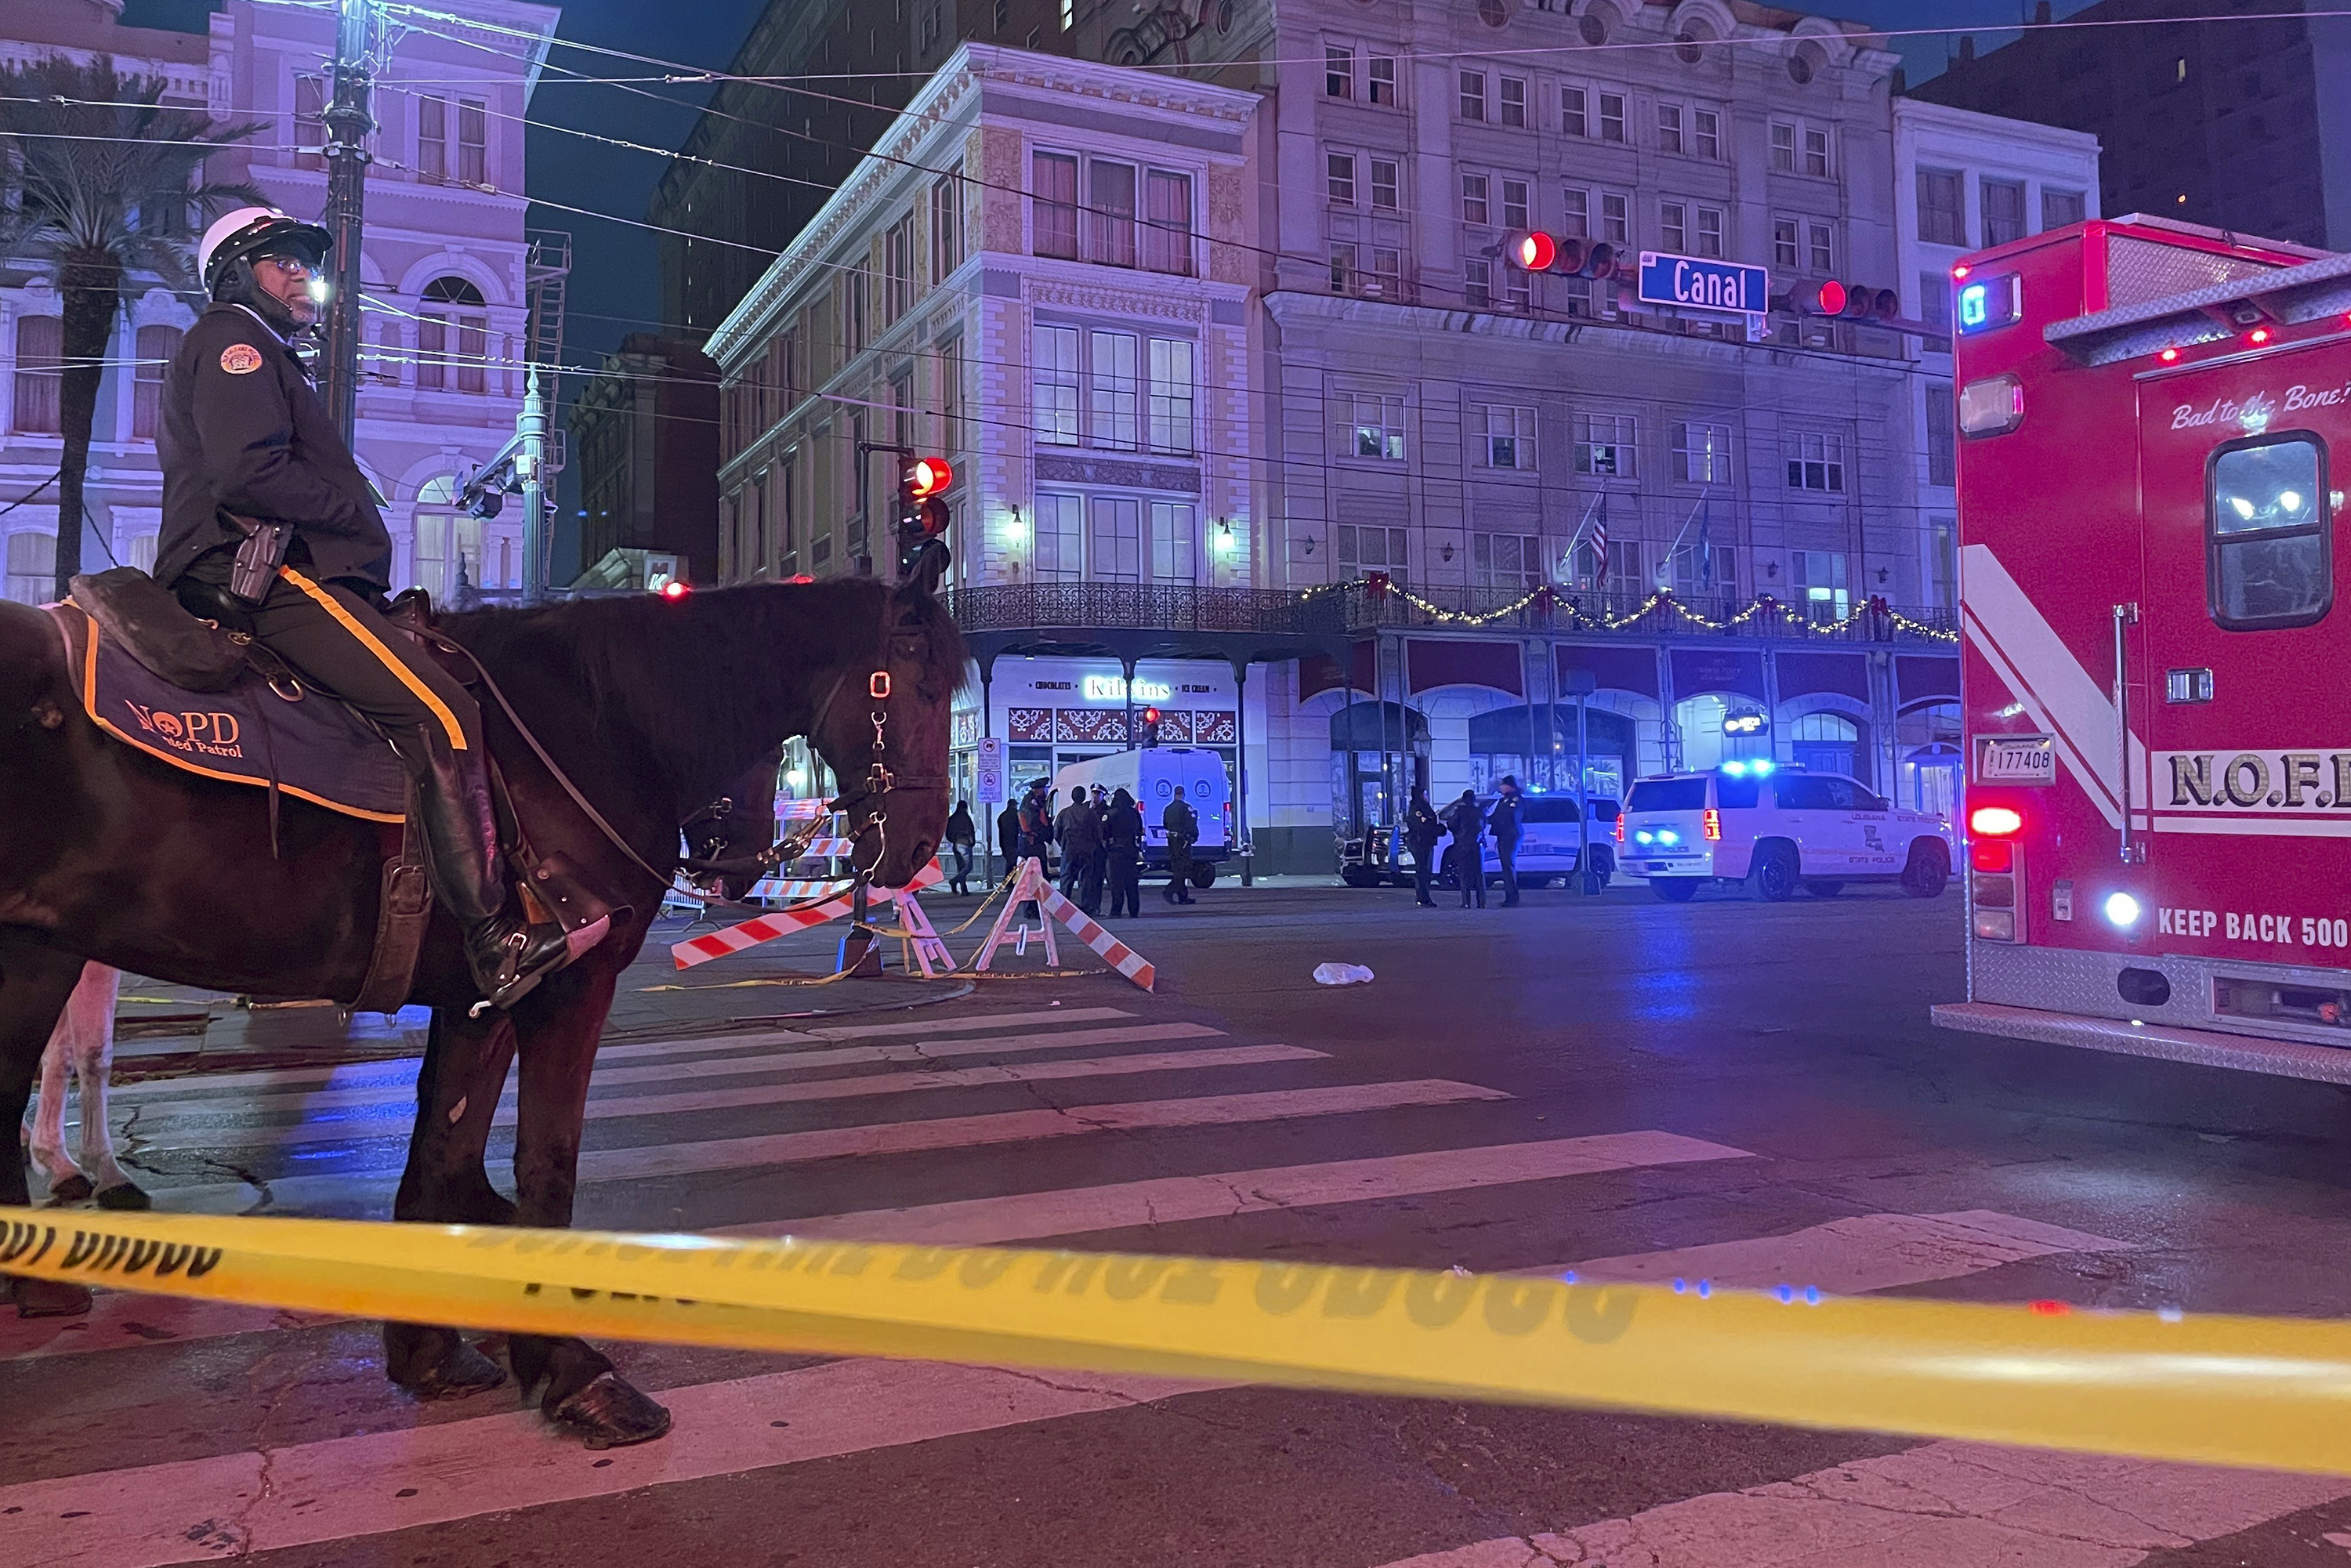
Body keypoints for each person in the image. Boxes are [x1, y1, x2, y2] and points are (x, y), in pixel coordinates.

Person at [154, 207, 589, 1011]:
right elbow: (247, 476)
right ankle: (494, 938)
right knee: (445, 713)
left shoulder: (263, 353)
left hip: (272, 564)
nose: (300, 276)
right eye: (279, 261)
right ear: (236, 274)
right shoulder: (236, 344)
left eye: (301, 263)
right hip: (262, 572)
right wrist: (356, 514)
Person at [1056, 787, 1103, 913]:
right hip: (1086, 850)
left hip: (1069, 850)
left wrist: (1063, 845)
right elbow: (1097, 833)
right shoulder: (1090, 813)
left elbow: (1056, 832)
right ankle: (1085, 906)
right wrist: (1093, 845)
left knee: (1066, 878)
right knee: (1086, 878)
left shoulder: (1064, 813)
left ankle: (1063, 907)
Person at [1103, 787, 1145, 918]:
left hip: (1115, 851)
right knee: (1132, 882)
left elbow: (1104, 832)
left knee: (1116, 883)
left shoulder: (1110, 813)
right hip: (1131, 850)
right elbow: (1139, 830)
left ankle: (1116, 910)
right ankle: (1134, 910)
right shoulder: (1134, 813)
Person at [1443, 789, 1487, 909]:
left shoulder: (1460, 811)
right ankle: (1481, 902)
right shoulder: (1480, 811)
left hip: (1463, 844)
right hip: (1477, 845)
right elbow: (1484, 825)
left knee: (1464, 874)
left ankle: (1466, 902)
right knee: (1479, 873)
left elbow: (1451, 824)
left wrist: (1458, 834)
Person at [1016, 780, 1053, 919]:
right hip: (1032, 846)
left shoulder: (1030, 801)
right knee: (1036, 877)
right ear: (1037, 790)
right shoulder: (1031, 803)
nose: (1044, 792)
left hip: (1031, 845)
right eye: (1043, 789)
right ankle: (1033, 910)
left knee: (1035, 878)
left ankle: (1036, 909)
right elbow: (1033, 823)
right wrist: (1043, 832)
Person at [1404, 789, 1444, 908]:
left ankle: (1423, 898)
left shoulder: (1417, 807)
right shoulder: (1419, 808)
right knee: (1423, 871)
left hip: (1421, 842)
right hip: (1421, 843)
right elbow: (1424, 825)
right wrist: (1438, 829)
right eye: (1425, 794)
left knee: (1423, 871)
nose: (1427, 796)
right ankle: (1424, 898)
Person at [1491, 776, 1524, 907]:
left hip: (1510, 835)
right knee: (1506, 866)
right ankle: (1509, 896)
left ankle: (1512, 897)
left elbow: (1511, 816)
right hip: (1503, 834)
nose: (1500, 788)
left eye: (1502, 785)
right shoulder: (1504, 800)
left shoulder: (1515, 799)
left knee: (1508, 865)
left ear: (1509, 786)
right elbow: (1495, 816)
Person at [1163, 784, 1199, 904]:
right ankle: (1169, 890)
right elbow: (1191, 824)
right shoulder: (1186, 808)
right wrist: (1194, 836)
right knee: (1183, 869)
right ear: (1183, 794)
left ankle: (1183, 897)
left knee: (1177, 868)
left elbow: (1165, 825)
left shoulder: (1168, 808)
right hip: (1183, 841)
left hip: (1172, 841)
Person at [944, 799, 976, 895]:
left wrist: (953, 841)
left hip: (956, 844)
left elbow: (948, 833)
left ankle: (964, 889)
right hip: (965, 843)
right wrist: (972, 842)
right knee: (968, 867)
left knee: (961, 867)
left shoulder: (952, 818)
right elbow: (971, 830)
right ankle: (954, 881)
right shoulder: (966, 818)